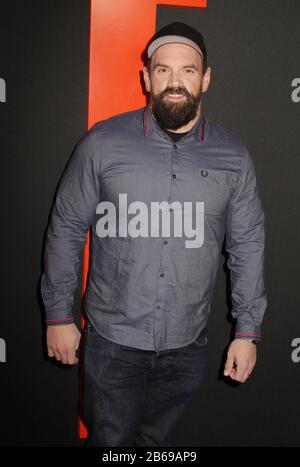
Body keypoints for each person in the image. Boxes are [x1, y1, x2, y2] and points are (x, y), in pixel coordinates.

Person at [41, 22, 267, 447]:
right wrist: (58, 315)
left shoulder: (234, 156)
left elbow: (247, 245)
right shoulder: (103, 143)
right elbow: (67, 227)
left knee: (157, 446)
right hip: (112, 341)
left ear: (206, 78)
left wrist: (246, 332)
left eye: (187, 70)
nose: (175, 82)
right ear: (147, 78)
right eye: (163, 70)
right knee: (110, 444)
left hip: (187, 344)